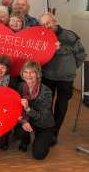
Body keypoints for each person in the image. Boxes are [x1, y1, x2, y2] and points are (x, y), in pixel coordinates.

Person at [40, 13, 86, 144]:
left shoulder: (70, 36)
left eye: (48, 23)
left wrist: (71, 68)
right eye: (43, 24)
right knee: (46, 104)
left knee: (61, 106)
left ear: (55, 21)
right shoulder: (41, 36)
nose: (46, 26)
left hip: (65, 79)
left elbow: (81, 54)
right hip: (48, 76)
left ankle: (55, 133)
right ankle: (46, 130)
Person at [16, 61, 55, 160]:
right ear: (22, 73)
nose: (28, 75)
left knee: (39, 155)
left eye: (32, 72)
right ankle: (26, 141)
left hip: (43, 124)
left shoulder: (46, 91)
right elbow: (15, 109)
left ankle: (44, 139)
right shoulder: (20, 86)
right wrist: (23, 121)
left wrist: (28, 109)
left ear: (37, 74)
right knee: (19, 129)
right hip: (28, 121)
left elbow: (42, 116)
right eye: (26, 72)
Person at [0, 55, 19, 150]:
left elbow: (15, 100)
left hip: (6, 108)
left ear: (7, 69)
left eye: (3, 68)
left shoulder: (13, 81)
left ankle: (5, 135)